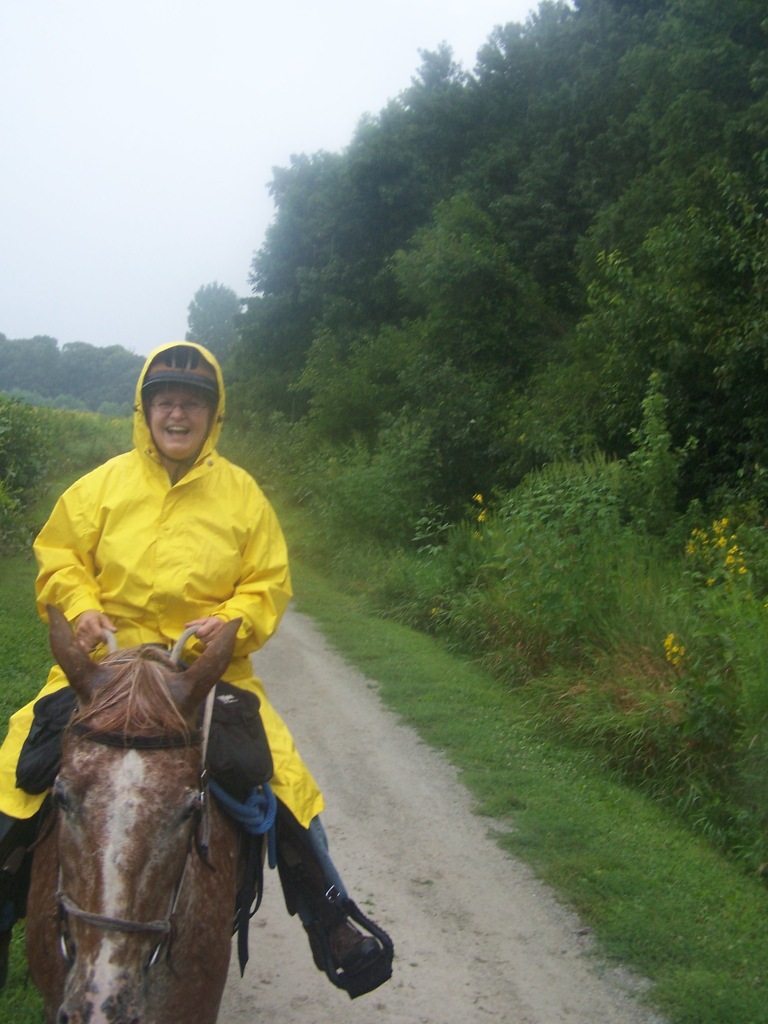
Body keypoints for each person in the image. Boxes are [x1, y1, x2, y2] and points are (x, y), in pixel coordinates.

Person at [0, 341, 392, 996]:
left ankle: (330, 913)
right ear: (145, 409)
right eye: (165, 401)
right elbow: (60, 557)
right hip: (106, 667)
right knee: (21, 766)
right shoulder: (99, 488)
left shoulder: (243, 498)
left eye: (191, 403)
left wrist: (229, 620)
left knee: (281, 777)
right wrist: (82, 605)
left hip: (204, 674)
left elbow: (267, 584)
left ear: (213, 415)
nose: (177, 414)